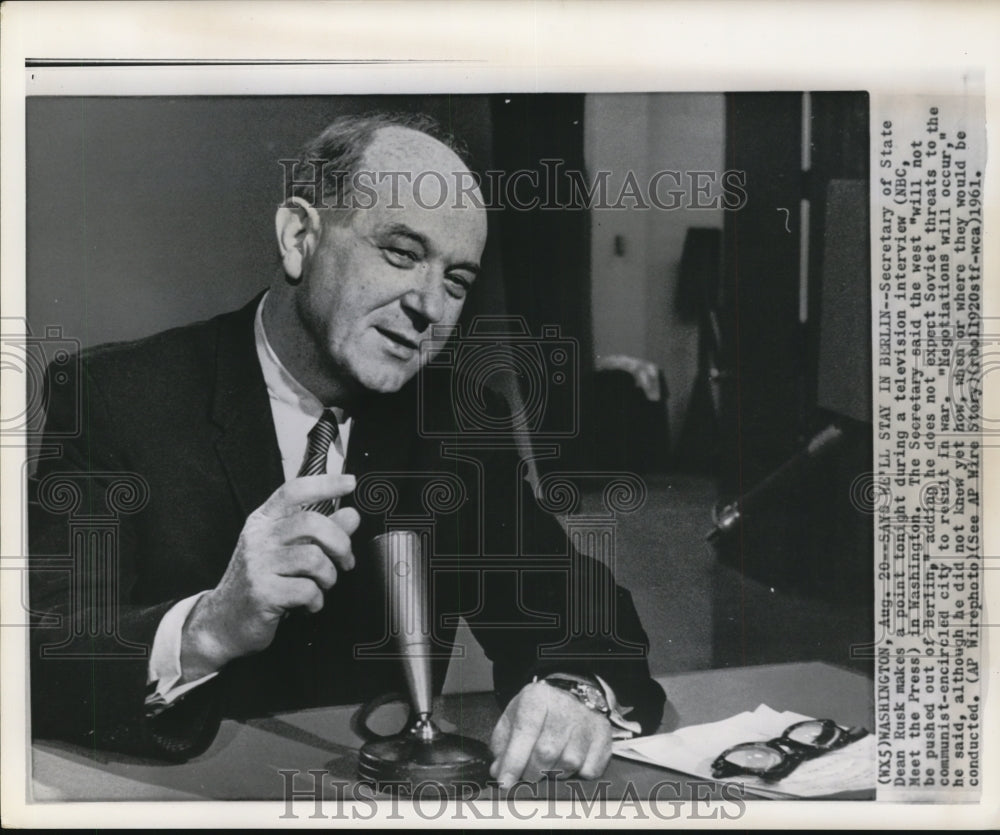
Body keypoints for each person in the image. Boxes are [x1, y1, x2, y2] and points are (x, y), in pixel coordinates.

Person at [29, 111, 665, 787]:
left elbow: (583, 616)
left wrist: (575, 694)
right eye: (400, 252)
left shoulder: (455, 421)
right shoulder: (117, 394)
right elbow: (38, 652)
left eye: (456, 281)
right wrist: (208, 628)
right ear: (300, 237)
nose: (429, 307)